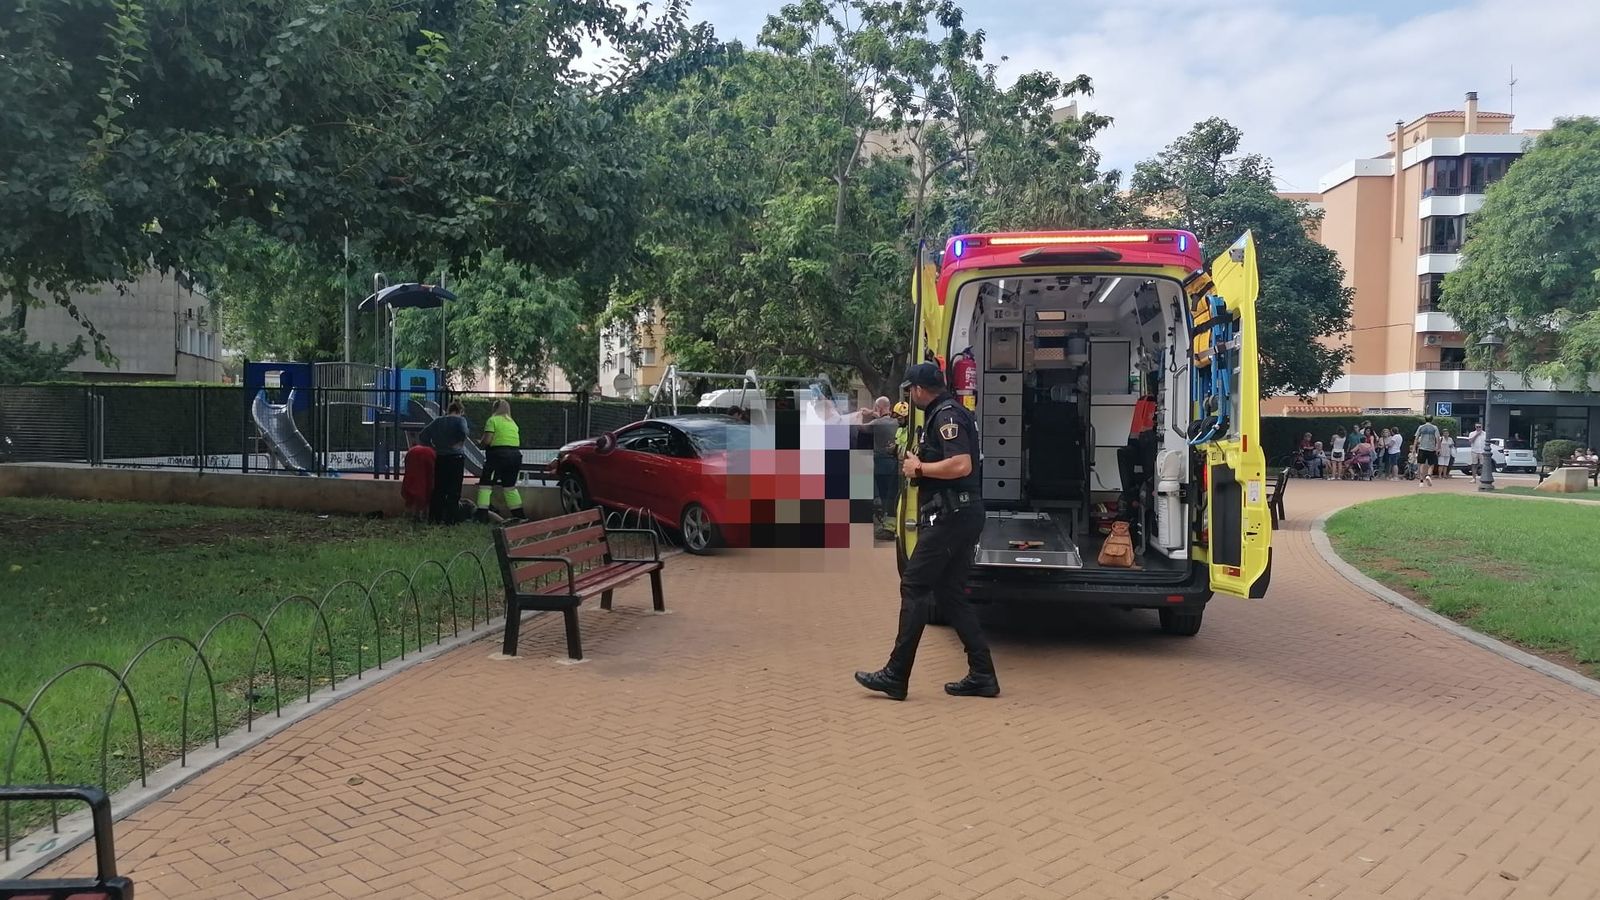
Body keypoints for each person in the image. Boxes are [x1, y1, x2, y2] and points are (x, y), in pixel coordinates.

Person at [855, 363, 997, 700]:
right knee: (949, 593)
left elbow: (961, 464)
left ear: (920, 389)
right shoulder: (942, 414)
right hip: (960, 513)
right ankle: (983, 674)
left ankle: (895, 674)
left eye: (910, 390)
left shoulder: (947, 415)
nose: (909, 395)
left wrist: (921, 467)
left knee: (914, 585)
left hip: (953, 515)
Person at [418, 400, 470, 524]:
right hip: (456, 458)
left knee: (439, 489)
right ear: (460, 411)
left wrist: (433, 447)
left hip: (440, 457)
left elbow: (423, 435)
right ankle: (451, 519)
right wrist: (458, 443)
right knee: (454, 490)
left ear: (449, 410)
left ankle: (434, 518)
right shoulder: (460, 420)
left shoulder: (438, 421)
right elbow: (464, 432)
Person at [476, 399, 524, 522]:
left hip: (497, 456)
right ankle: (519, 515)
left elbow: (487, 441)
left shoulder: (492, 420)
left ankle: (481, 515)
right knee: (509, 487)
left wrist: (480, 442)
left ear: (495, 408)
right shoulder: (513, 423)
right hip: (515, 456)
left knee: (485, 485)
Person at [867, 396, 900, 537]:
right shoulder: (897, 422)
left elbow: (860, 430)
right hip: (896, 463)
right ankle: (895, 523)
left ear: (878, 408)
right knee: (893, 494)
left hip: (881, 464)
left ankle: (888, 526)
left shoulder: (875, 424)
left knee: (884, 495)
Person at [1414, 415, 1440, 487]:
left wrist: (1414, 448)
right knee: (1431, 464)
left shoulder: (1421, 427)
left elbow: (1416, 438)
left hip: (1422, 448)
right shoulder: (1434, 428)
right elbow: (1437, 438)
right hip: (1431, 448)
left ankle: (1421, 481)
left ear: (1425, 419)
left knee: (1421, 464)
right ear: (1432, 420)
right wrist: (1438, 448)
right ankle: (1428, 475)